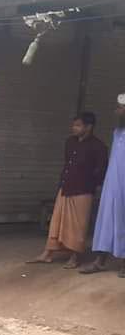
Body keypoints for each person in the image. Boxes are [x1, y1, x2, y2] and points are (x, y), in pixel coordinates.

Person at [29, 112, 109, 269]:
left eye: (78, 125)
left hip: (83, 191)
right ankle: (48, 254)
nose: (74, 128)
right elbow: (67, 164)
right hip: (66, 187)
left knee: (78, 226)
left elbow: (101, 171)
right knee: (57, 222)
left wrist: (91, 185)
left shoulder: (98, 146)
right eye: (74, 125)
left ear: (89, 127)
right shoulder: (70, 142)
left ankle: (75, 256)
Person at [82, 95, 125, 277]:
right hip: (113, 184)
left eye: (120, 107)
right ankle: (100, 260)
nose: (116, 111)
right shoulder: (117, 132)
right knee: (106, 220)